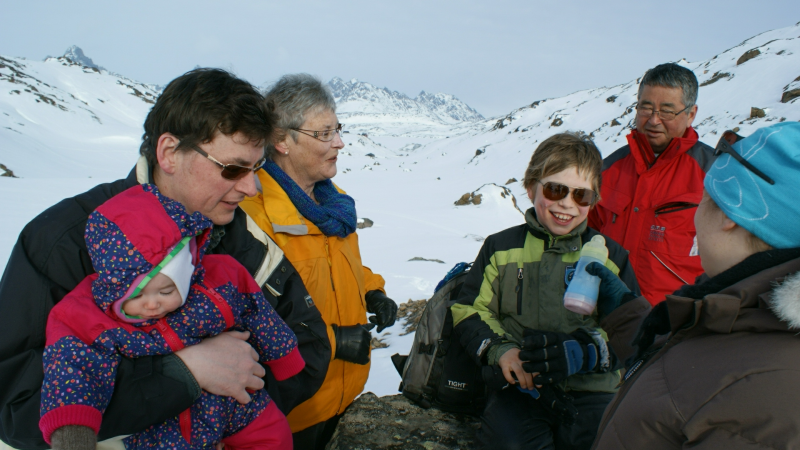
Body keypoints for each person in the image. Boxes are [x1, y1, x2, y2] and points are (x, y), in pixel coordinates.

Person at [0, 68, 330, 449]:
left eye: (257, 169)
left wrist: (230, 418)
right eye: (234, 169)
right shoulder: (63, 241)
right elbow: (15, 407)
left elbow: (309, 344)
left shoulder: (240, 237)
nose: (252, 188)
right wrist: (184, 374)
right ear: (170, 153)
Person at [577, 122, 800, 448]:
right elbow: (687, 370)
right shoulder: (741, 310)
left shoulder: (758, 400)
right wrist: (628, 315)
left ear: (731, 215)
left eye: (704, 199)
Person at [41, 184, 304, 449]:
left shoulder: (216, 278)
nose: (153, 304)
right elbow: (72, 369)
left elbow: (254, 307)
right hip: (158, 429)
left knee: (274, 435)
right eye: (135, 296)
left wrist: (283, 356)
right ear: (113, 288)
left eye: (167, 290)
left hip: (233, 405)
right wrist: (73, 434)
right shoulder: (87, 314)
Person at [450, 132, 639, 450]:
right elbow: (469, 309)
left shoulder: (611, 257)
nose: (567, 203)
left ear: (594, 201)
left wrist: (587, 352)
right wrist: (502, 352)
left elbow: (631, 329)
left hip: (592, 391)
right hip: (521, 388)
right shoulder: (501, 248)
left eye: (582, 195)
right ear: (530, 187)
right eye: (555, 189)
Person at [239, 73, 397, 449]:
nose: (340, 143)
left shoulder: (333, 205)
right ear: (281, 141)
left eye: (337, 129)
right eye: (324, 133)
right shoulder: (253, 219)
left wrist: (372, 290)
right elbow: (248, 318)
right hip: (291, 413)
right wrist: (333, 341)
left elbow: (340, 263)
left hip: (345, 395)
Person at [588, 63, 715, 305]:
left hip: (677, 326)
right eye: (646, 108)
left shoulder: (716, 175)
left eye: (667, 111)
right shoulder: (608, 170)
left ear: (691, 114)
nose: (654, 120)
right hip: (607, 319)